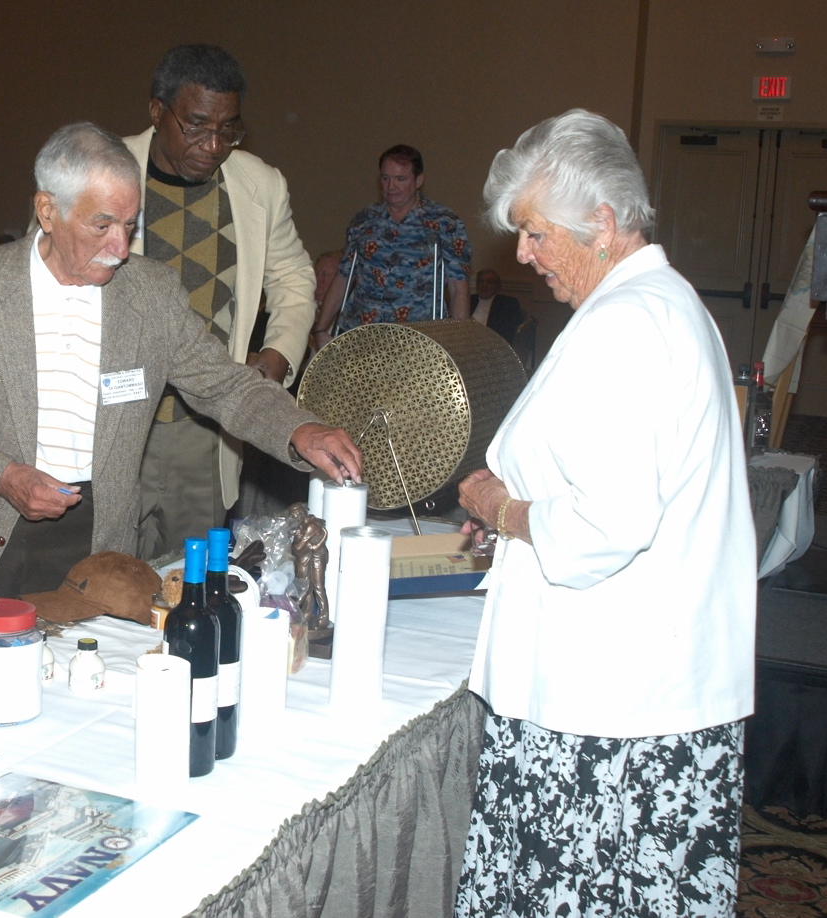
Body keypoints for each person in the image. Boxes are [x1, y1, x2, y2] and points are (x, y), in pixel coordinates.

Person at [452, 109, 754, 917]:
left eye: (535, 232)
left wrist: (501, 505)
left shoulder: (625, 323)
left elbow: (602, 529)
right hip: (640, 695)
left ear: (604, 223)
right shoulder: (659, 304)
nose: (521, 253)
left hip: (604, 711)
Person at [0, 122, 361, 627]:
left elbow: (224, 385)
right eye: (102, 225)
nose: (120, 246)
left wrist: (298, 428)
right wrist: (4, 477)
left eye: (130, 225)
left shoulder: (150, 294)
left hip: (96, 542)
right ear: (47, 211)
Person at [124, 44, 318, 560]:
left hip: (205, 429)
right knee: (104, 582)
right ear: (156, 111)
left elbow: (295, 278)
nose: (213, 145)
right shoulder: (99, 170)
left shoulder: (259, 184)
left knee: (188, 580)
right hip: (114, 424)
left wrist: (278, 354)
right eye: (196, 126)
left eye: (228, 129)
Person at [317, 144, 472, 333]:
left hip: (418, 336)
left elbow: (458, 288)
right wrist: (321, 329)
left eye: (401, 179)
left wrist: (459, 342)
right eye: (385, 178)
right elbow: (343, 277)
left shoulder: (444, 222)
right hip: (362, 332)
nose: (391, 187)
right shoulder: (364, 220)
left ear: (418, 180)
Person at [469, 267, 526, 344]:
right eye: (480, 281)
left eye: (489, 282)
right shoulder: (469, 300)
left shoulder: (507, 303)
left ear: (497, 286)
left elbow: (510, 332)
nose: (484, 285)